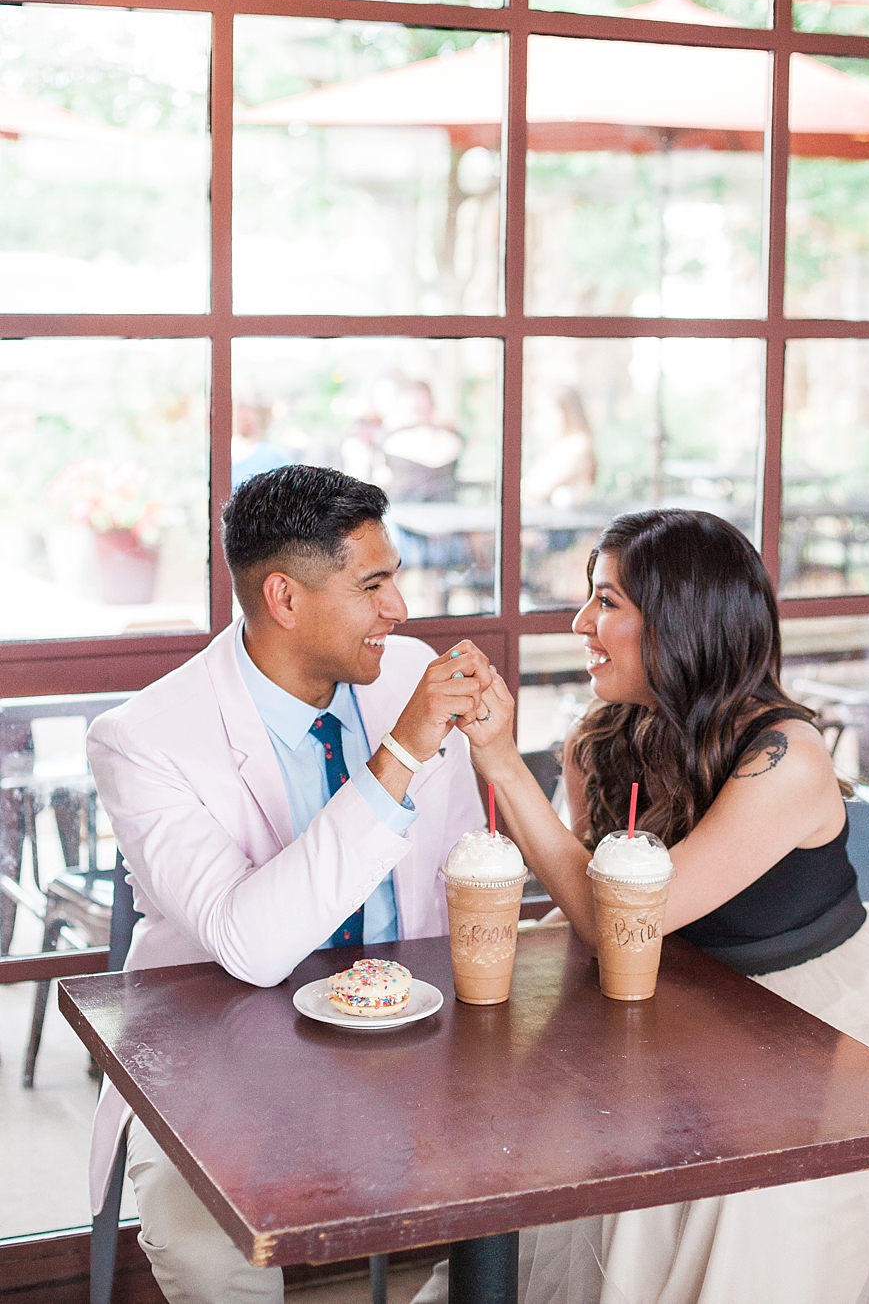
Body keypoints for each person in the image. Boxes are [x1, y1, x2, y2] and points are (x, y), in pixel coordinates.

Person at [433, 507, 869, 1304]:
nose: (580, 622)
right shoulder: (603, 737)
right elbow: (587, 905)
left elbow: (620, 921)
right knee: (530, 1136)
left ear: (679, 622)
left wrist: (500, 763)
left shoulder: (785, 758)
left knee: (736, 1222)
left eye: (607, 602)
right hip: (684, 1008)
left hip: (819, 1023)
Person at [86, 464, 493, 1304]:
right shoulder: (144, 740)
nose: (400, 610)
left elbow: (461, 866)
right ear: (284, 597)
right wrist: (404, 752)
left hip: (411, 1040)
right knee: (208, 1256)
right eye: (373, 585)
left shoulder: (408, 673)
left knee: (546, 1193)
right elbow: (250, 947)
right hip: (216, 1059)